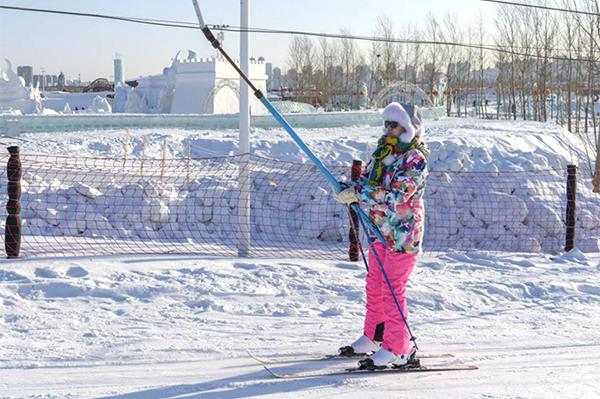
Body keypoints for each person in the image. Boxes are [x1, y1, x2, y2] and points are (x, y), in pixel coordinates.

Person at [333, 102, 429, 369]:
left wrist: (360, 194)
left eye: (394, 125)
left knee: (392, 288)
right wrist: (350, 188)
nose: (389, 129)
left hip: (402, 234)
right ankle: (375, 336)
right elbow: (368, 182)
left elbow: (398, 195)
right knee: (375, 283)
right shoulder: (382, 152)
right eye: (386, 124)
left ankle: (399, 348)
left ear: (408, 128)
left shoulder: (415, 158)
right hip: (379, 230)